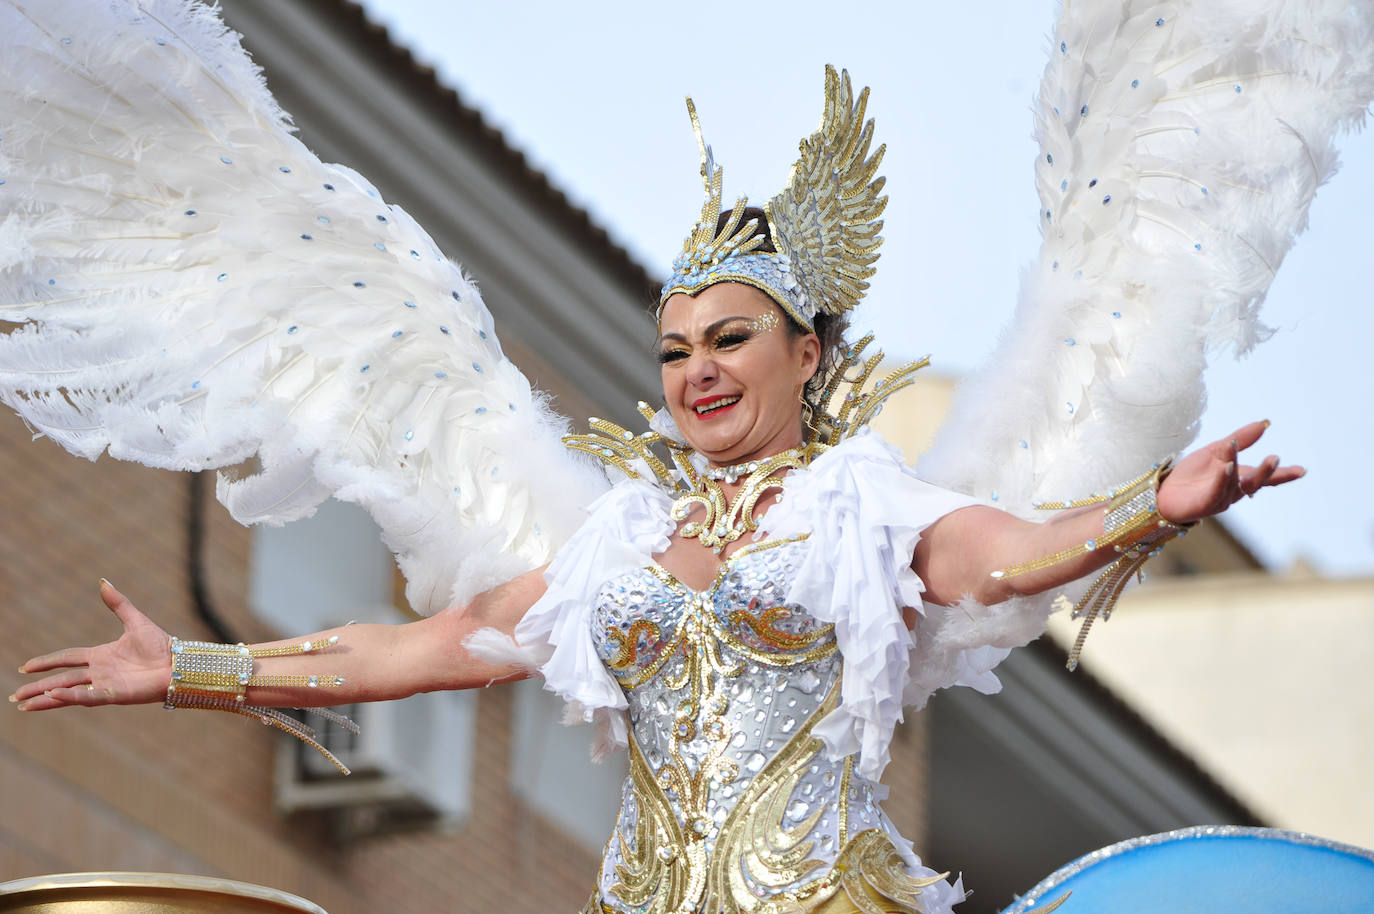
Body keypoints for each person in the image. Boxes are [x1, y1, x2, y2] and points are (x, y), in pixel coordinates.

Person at [2, 3, 1362, 911]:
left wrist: (1146, 508)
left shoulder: (863, 514)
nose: (697, 370)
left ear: (804, 356)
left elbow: (999, 552)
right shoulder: (609, 549)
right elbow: (400, 653)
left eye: (730, 338)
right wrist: (187, 670)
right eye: (674, 350)